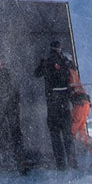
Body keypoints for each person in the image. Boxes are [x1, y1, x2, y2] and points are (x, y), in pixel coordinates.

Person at [0, 54, 29, 171]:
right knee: (9, 132)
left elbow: (11, 89)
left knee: (9, 132)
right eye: (0, 62)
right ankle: (14, 158)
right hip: (5, 107)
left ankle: (15, 158)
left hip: (5, 107)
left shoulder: (0, 73)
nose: (1, 64)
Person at [33, 39, 76, 169]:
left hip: (52, 103)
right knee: (68, 134)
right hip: (64, 102)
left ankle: (60, 164)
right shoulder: (65, 61)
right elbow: (73, 72)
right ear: (60, 48)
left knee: (55, 135)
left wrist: (43, 64)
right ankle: (72, 162)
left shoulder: (47, 62)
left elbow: (36, 74)